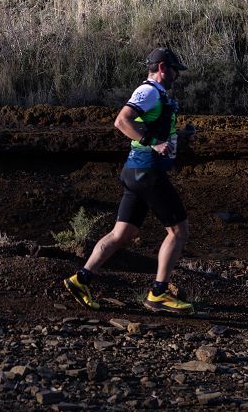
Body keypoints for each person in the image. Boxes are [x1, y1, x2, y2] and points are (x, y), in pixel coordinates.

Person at [63, 47, 194, 315]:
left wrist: (177, 136)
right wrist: (154, 143)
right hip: (147, 173)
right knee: (178, 232)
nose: (176, 76)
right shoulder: (148, 92)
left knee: (122, 233)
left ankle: (81, 279)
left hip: (135, 172)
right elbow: (122, 120)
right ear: (161, 68)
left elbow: (151, 127)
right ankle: (158, 293)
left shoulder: (156, 95)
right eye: (173, 70)